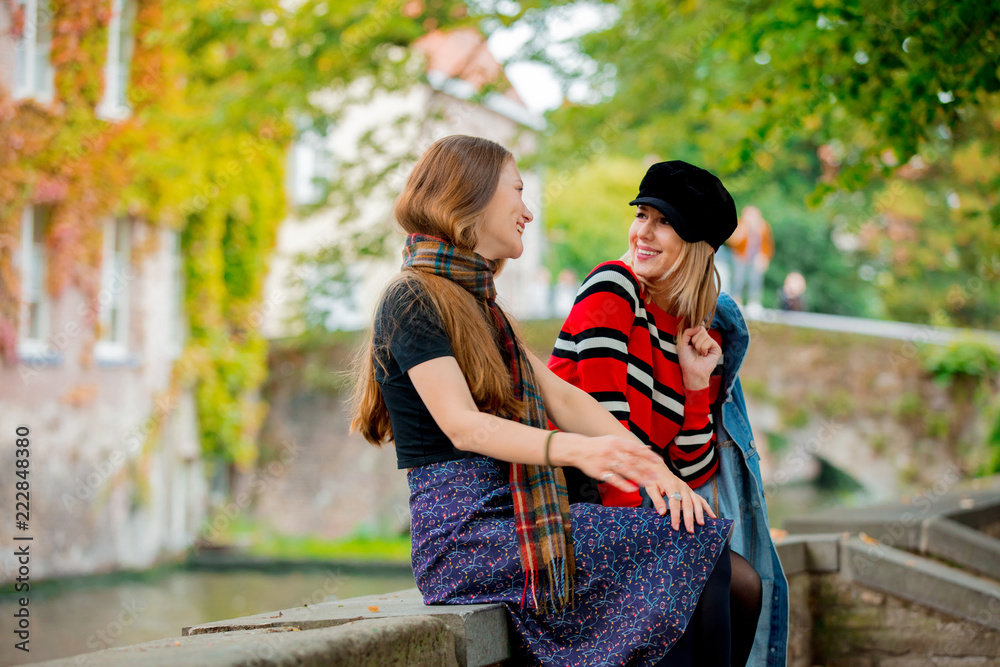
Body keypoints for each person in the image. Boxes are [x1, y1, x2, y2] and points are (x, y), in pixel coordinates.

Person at [351, 136, 758, 666]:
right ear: (470, 197)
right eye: (516, 192)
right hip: (467, 535)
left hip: (515, 514)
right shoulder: (412, 298)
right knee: (700, 564)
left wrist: (652, 468)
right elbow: (464, 427)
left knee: (727, 572)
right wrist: (582, 452)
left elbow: (563, 397)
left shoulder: (481, 306)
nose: (528, 210)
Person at [548, 160, 788, 665]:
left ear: (698, 245)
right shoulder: (612, 289)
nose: (644, 232)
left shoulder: (695, 332)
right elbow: (607, 437)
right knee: (711, 585)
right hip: (579, 501)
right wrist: (648, 551)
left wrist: (697, 382)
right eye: (642, 215)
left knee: (745, 586)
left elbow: (695, 470)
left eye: (664, 222)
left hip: (635, 505)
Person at [727, 205, 774, 313]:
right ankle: (736, 299)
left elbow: (768, 244)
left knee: (756, 279)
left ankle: (754, 302)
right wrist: (744, 229)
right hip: (740, 257)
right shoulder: (739, 224)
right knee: (738, 278)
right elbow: (732, 242)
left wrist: (765, 257)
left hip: (756, 258)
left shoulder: (764, 227)